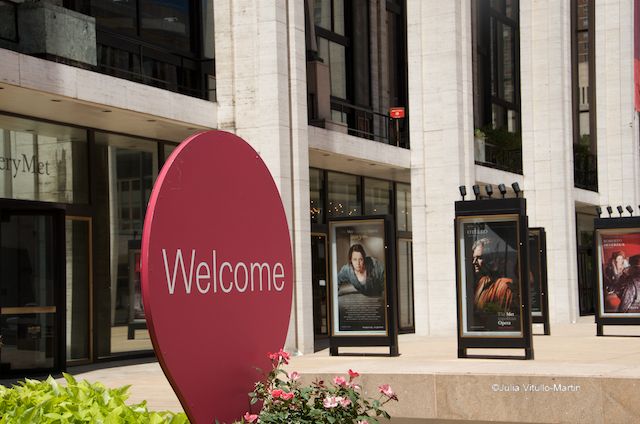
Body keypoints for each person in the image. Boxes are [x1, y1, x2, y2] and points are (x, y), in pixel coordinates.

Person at [470, 238, 514, 312]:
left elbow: (502, 317)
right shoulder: (481, 283)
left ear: (492, 259)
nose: (474, 262)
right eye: (474, 258)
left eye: (480, 258)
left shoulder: (505, 286)